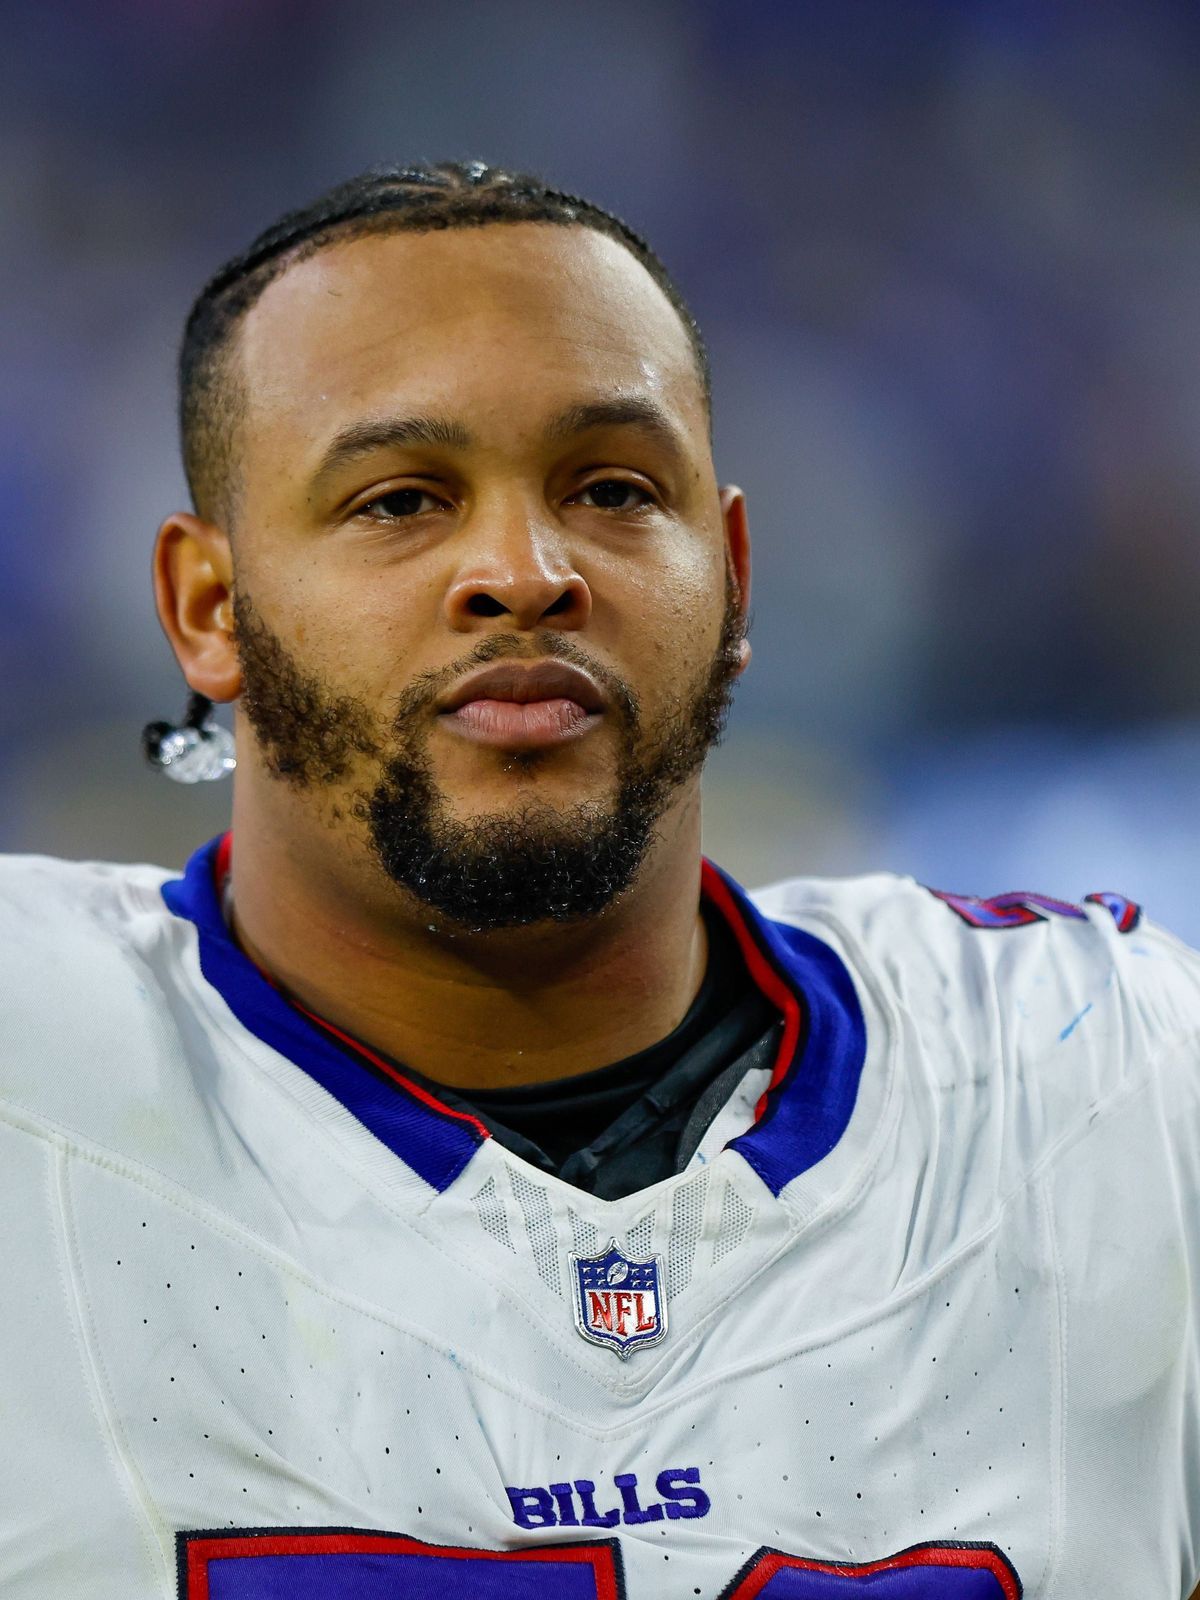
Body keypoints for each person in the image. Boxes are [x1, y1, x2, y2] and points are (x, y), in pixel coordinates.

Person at [1, 161, 1197, 1600]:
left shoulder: (1102, 1080)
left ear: (735, 576)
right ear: (211, 607)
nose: (522, 569)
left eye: (614, 489)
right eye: (399, 500)